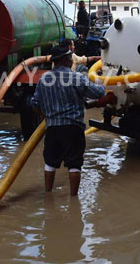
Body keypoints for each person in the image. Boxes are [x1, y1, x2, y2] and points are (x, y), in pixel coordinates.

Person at [31, 45, 105, 195]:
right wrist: (102, 80)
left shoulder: (44, 79)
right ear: (65, 60)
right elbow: (98, 93)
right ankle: (73, 199)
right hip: (73, 127)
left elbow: (34, 103)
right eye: (70, 57)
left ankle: (48, 194)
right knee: (74, 164)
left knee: (50, 163)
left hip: (52, 128)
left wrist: (45, 115)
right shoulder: (77, 78)